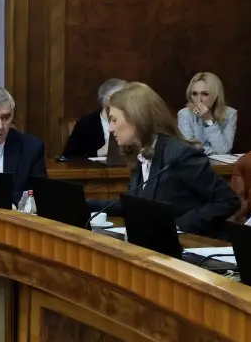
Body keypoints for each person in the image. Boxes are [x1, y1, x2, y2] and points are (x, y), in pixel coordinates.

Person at [100, 82, 239, 237]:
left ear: (136, 118)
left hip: (193, 244)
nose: (110, 128)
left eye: (114, 120)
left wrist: (178, 226)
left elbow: (227, 200)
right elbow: (133, 204)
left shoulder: (180, 154)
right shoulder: (143, 152)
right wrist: (85, 205)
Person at [63, 78, 127, 158]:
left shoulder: (130, 121)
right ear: (107, 100)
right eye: (123, 99)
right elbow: (68, 156)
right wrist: (98, 152)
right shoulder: (86, 124)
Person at [177, 72, 237, 155]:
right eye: (194, 94)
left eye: (205, 94)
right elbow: (188, 148)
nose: (199, 100)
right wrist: (214, 151)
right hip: (194, 162)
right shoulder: (184, 114)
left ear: (216, 95)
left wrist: (209, 120)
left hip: (219, 163)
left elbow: (224, 151)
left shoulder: (230, 113)